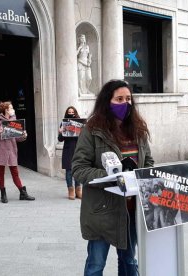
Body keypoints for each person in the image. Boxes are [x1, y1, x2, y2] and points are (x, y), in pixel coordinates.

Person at [72, 80, 154, 276]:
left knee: (128, 261)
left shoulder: (138, 129)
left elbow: (149, 161)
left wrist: (142, 176)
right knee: (96, 264)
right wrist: (112, 176)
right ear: (107, 102)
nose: (125, 103)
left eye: (128, 99)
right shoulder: (92, 130)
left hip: (132, 211)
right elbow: (79, 168)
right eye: (119, 99)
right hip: (103, 211)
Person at [0, 101, 35, 203]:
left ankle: (22, 193)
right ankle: (3, 195)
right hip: (1, 150)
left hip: (12, 151)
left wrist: (23, 135)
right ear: (6, 110)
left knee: (15, 172)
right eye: (11, 108)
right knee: (1, 173)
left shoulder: (14, 121)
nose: (13, 110)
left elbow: (17, 138)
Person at [58, 106, 81, 200]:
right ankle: (70, 190)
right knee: (69, 171)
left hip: (78, 149)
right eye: (69, 112)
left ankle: (78, 190)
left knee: (78, 170)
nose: (71, 113)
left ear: (75, 113)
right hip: (68, 149)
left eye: (72, 112)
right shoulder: (64, 123)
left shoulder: (80, 123)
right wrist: (60, 132)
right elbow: (60, 139)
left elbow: (84, 137)